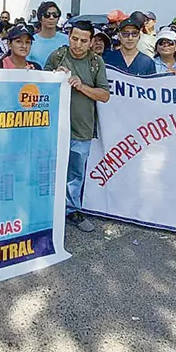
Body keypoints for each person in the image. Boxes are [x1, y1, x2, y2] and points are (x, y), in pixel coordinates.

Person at [44, 21, 110, 233]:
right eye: (74, 38)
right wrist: (55, 75)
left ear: (91, 42)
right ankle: (48, 212)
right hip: (53, 128)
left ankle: (72, 210)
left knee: (75, 172)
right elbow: (40, 84)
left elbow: (104, 95)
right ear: (68, 36)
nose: (78, 44)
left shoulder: (96, 62)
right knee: (50, 170)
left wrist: (81, 86)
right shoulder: (57, 56)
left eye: (83, 40)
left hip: (81, 129)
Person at [31, 1, 70, 66]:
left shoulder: (67, 40)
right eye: (47, 15)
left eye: (55, 15)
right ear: (40, 18)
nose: (51, 17)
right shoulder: (31, 41)